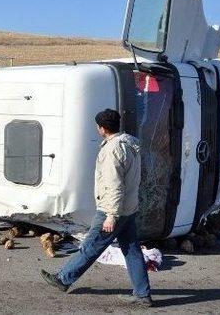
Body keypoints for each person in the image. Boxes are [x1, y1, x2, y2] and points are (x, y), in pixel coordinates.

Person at [40, 108, 152, 307]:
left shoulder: (111, 150)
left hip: (113, 210)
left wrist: (111, 215)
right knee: (132, 250)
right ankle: (142, 294)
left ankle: (64, 278)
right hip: (128, 209)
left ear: (102, 128)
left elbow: (114, 185)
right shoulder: (130, 144)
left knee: (91, 246)